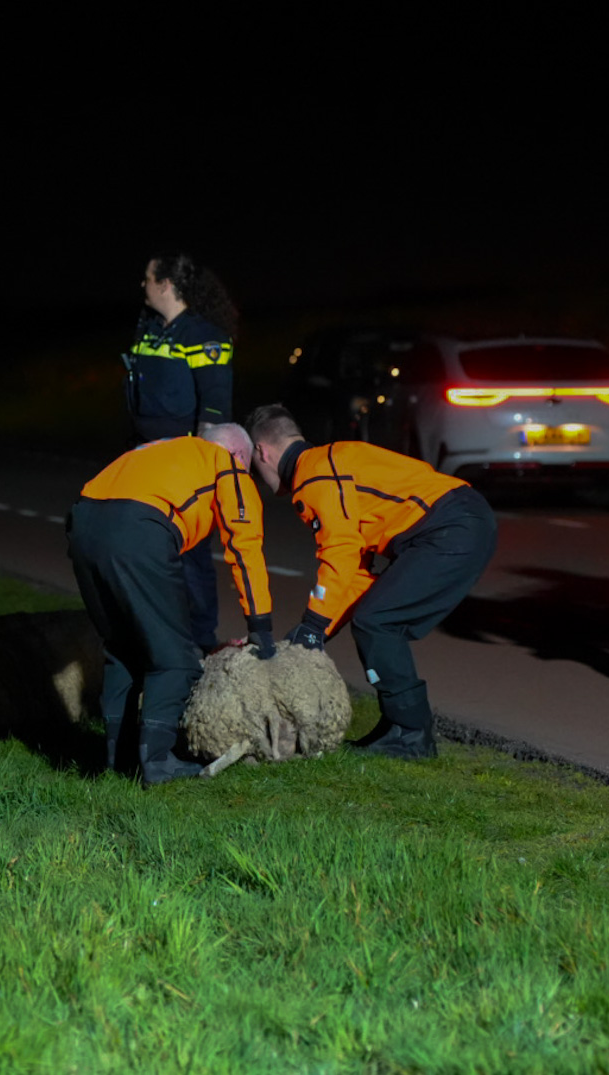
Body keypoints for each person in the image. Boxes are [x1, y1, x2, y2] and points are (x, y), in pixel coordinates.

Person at [244, 404, 497, 760]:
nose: (257, 475)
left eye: (253, 468)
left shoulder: (314, 477)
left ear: (262, 452)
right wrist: (308, 636)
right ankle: (399, 726)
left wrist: (314, 626)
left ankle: (412, 735)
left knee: (377, 622)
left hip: (450, 528)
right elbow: (356, 575)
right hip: (460, 520)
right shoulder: (327, 463)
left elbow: (341, 553)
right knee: (374, 616)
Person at [68, 424, 273, 784]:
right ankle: (160, 763)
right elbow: (245, 547)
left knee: (123, 650)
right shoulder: (225, 464)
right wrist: (260, 627)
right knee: (176, 659)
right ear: (240, 455)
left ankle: (119, 758)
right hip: (140, 529)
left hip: (83, 525)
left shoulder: (162, 448)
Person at [124, 253, 238, 653]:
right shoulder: (149, 331)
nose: (143, 285)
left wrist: (200, 474)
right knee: (147, 549)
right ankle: (158, 634)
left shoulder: (204, 337)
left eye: (148, 278)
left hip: (183, 466)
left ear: (166, 285)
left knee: (191, 556)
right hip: (144, 461)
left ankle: (201, 641)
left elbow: (214, 411)